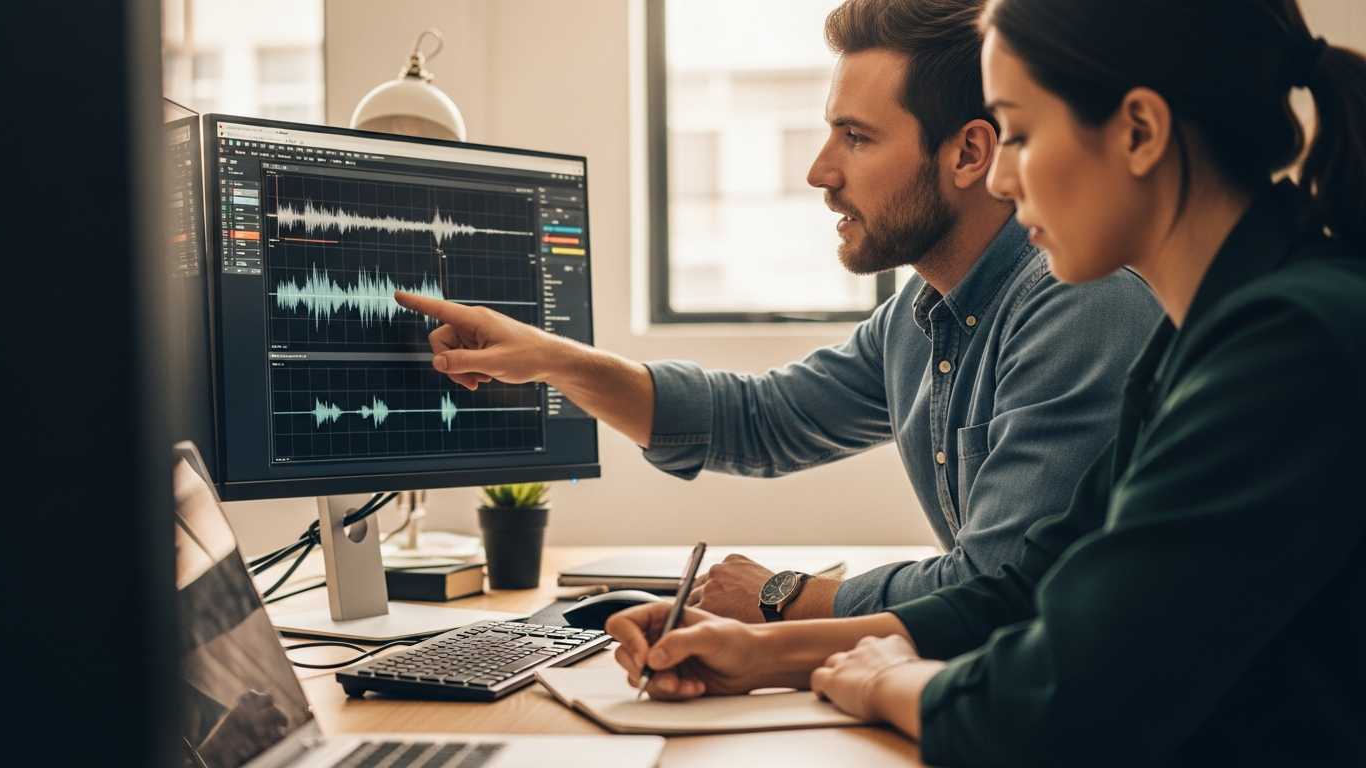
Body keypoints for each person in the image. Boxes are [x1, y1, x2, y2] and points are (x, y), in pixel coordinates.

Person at [604, 0, 1366, 764]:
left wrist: (887, 685)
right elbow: (1031, 587)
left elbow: (1053, 708)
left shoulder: (1287, 345)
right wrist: (762, 652)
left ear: (1139, 132)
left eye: (1022, 134)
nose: (1000, 174)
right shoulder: (1197, 339)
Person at [394, 0, 1160, 622]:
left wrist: (784, 596)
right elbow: (757, 420)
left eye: (855, 138)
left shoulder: (1076, 304)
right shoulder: (916, 319)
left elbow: (997, 588)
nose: (819, 171)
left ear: (968, 154)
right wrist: (550, 358)